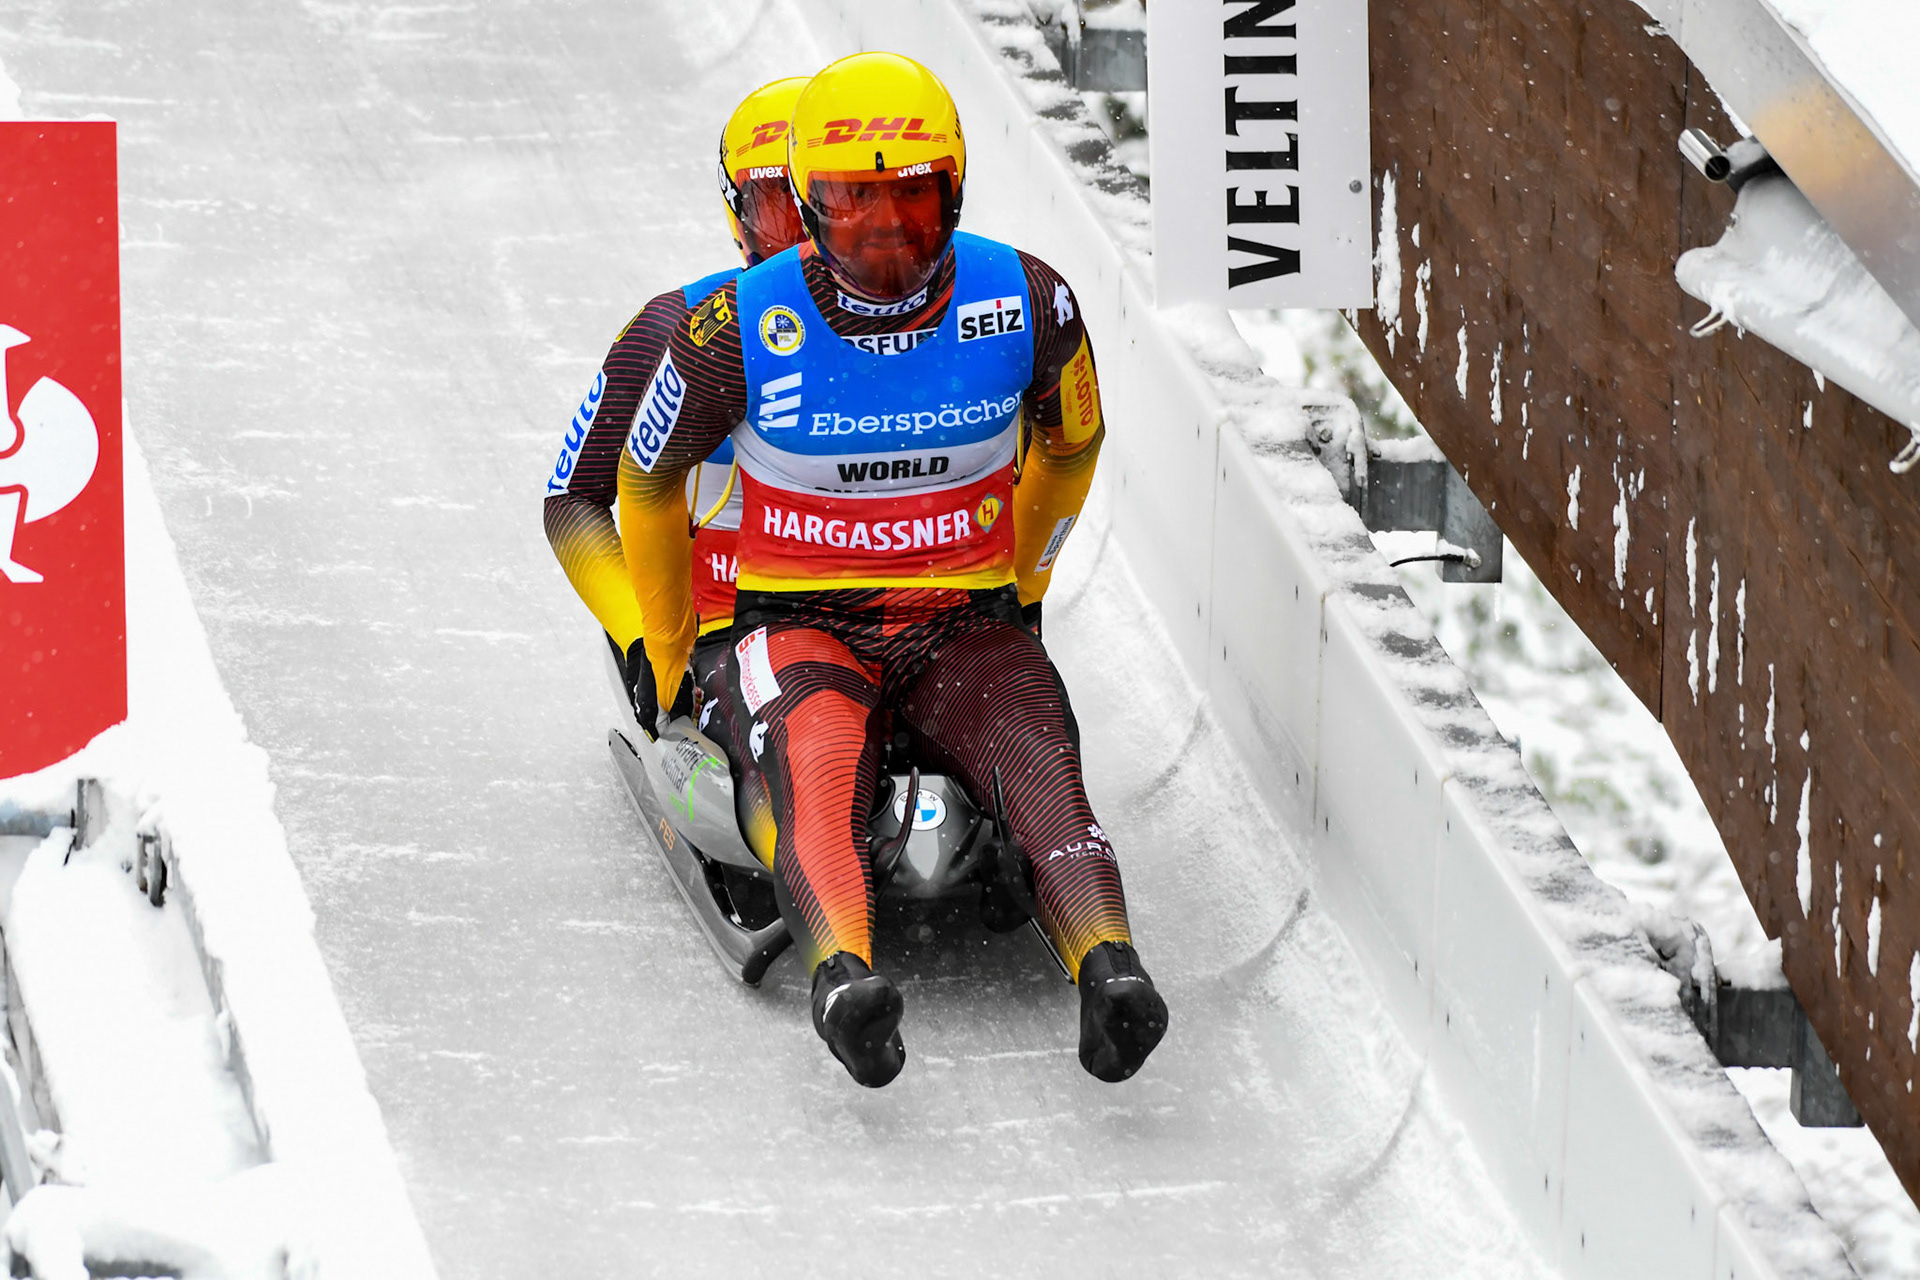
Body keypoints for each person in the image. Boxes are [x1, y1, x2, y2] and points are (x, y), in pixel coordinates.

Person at [611, 52, 1169, 1088]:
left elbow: (1074, 438)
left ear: (952, 191)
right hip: (796, 622)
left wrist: (1023, 578)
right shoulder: (736, 327)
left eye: (909, 204)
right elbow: (646, 482)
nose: (885, 237)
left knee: (1038, 749)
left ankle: (1113, 968)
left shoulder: (1029, 302)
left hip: (957, 618)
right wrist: (672, 648)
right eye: (855, 204)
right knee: (814, 756)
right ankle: (846, 981)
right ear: (813, 208)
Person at [543, 74, 812, 762]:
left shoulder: (941, 326)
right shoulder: (672, 327)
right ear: (740, 214)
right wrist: (644, 637)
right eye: (783, 211)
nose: (809, 241)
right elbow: (571, 496)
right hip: (719, 632)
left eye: (832, 208)